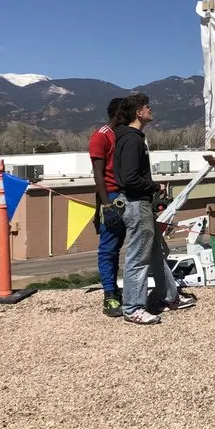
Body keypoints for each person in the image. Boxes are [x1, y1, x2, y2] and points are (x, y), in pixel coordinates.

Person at [113, 92, 195, 325]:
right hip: (136, 204)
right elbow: (129, 178)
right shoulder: (132, 140)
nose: (151, 110)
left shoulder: (132, 138)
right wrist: (154, 185)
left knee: (155, 254)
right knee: (138, 257)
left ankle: (170, 297)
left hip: (142, 203)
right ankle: (133, 307)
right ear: (139, 112)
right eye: (147, 107)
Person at [89, 97, 127, 317]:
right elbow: (98, 174)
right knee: (108, 249)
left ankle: (121, 289)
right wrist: (106, 205)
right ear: (118, 115)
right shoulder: (100, 137)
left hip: (125, 194)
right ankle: (110, 295)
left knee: (124, 246)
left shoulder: (122, 135)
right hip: (111, 196)